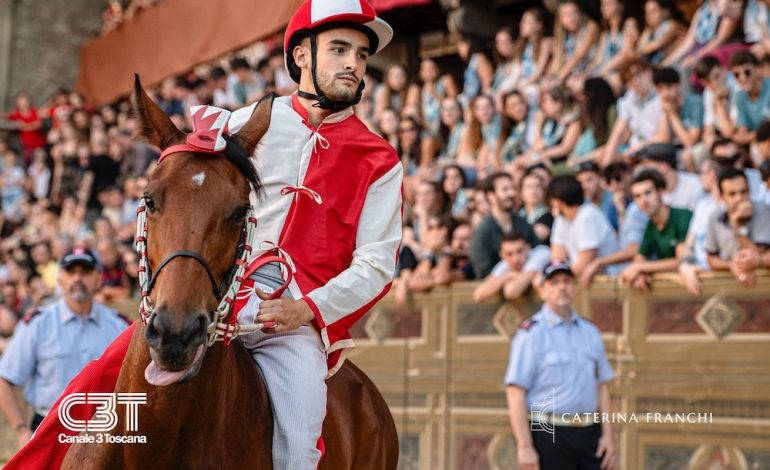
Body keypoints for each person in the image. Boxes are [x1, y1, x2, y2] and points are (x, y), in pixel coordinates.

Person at [9, 2, 403, 469]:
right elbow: (184, 178)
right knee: (93, 381)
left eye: (360, 54)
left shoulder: (381, 160)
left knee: (298, 448)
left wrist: (306, 310)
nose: (353, 64)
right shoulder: (243, 123)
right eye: (340, 49)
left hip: (292, 325)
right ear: (301, 56)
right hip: (211, 298)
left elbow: (376, 265)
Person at [0, 248, 128, 448]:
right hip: (49, 431)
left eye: (85, 271)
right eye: (71, 271)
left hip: (104, 435)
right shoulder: (37, 324)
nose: (77, 278)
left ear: (98, 278)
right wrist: (21, 430)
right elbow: (5, 378)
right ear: (60, 279)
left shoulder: (118, 326)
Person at [505, 262, 616, 470]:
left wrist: (608, 436)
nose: (562, 287)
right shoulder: (531, 334)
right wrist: (525, 446)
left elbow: (602, 387)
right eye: (554, 283)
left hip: (589, 432)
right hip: (549, 433)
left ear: (574, 287)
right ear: (543, 290)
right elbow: (515, 392)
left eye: (567, 281)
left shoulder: (590, 331)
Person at [619, 169, 692, 290]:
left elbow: (681, 262)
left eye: (648, 193)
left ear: (660, 192)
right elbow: (639, 259)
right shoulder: (651, 225)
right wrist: (641, 273)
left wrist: (640, 268)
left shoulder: (682, 217)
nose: (643, 200)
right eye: (637, 196)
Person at [706, 167, 770, 286]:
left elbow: (754, 257)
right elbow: (711, 258)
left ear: (749, 190)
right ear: (722, 196)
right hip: (732, 286)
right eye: (732, 194)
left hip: (763, 285)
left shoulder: (763, 211)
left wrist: (738, 226)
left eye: (743, 192)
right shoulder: (715, 216)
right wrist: (731, 265)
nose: (739, 198)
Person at [470, 172, 538, 279]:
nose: (511, 193)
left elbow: (537, 252)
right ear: (491, 196)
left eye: (512, 188)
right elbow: (483, 273)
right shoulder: (483, 232)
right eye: (505, 190)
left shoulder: (523, 223)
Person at [548, 175, 619, 276]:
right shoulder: (561, 219)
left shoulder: (587, 215)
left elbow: (583, 265)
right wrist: (553, 274)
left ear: (558, 202)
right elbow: (557, 258)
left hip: (610, 277)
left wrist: (556, 277)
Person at [472, 231, 551, 302]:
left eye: (519, 251)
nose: (515, 259)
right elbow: (478, 295)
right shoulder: (504, 265)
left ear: (528, 248)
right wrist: (507, 277)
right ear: (502, 255)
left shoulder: (541, 253)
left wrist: (510, 276)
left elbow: (510, 291)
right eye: (509, 254)